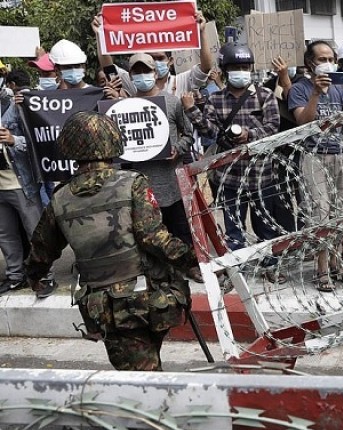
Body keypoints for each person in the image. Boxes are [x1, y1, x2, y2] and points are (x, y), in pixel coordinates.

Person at [25, 112, 199, 371]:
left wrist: (34, 276)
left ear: (69, 148)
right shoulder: (132, 183)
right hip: (151, 299)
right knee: (148, 375)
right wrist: (193, 260)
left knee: (141, 380)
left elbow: (42, 250)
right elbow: (153, 237)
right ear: (113, 143)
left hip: (109, 309)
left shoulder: (60, 198)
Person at [183, 43, 285, 271]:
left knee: (266, 225)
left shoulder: (264, 95)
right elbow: (209, 131)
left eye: (245, 66)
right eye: (236, 67)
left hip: (261, 174)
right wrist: (191, 111)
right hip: (229, 177)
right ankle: (239, 266)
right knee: (234, 227)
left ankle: (270, 266)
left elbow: (273, 127)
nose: (241, 71)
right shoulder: (216, 99)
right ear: (225, 70)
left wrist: (250, 134)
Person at [288, 40, 343, 292]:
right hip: (313, 156)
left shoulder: (340, 89)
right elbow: (303, 123)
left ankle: (335, 261)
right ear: (310, 64)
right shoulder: (299, 88)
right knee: (320, 213)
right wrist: (316, 95)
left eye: (331, 58)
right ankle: (321, 270)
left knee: (341, 212)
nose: (327, 63)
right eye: (322, 59)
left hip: (340, 154)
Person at [125, 53, 195, 248]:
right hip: (142, 186)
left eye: (146, 70)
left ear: (155, 73)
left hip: (173, 183)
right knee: (152, 239)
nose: (142, 75)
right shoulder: (124, 107)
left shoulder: (172, 101)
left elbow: (189, 134)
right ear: (130, 76)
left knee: (182, 233)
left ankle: (190, 265)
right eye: (137, 72)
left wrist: (178, 149)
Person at [0, 70, 57, 298]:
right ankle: (15, 276)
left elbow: (37, 139)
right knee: (5, 234)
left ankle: (45, 275)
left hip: (21, 182)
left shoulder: (18, 103)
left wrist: (14, 140)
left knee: (35, 231)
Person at [94, 10, 212, 98]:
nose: (155, 63)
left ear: (170, 61)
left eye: (159, 58)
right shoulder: (135, 80)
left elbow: (205, 68)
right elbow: (108, 68)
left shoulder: (182, 81)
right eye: (151, 58)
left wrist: (201, 32)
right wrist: (100, 35)